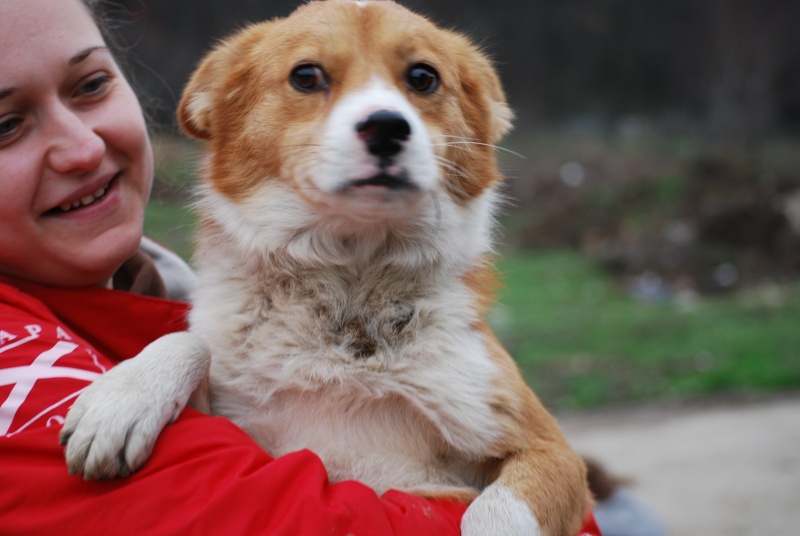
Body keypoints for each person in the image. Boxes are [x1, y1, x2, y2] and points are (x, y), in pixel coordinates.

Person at [0, 0, 601, 534]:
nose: (385, 113)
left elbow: (554, 472)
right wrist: (173, 361)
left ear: (479, 117)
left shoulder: (167, 294)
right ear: (219, 105)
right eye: (309, 77)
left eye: (421, 79)